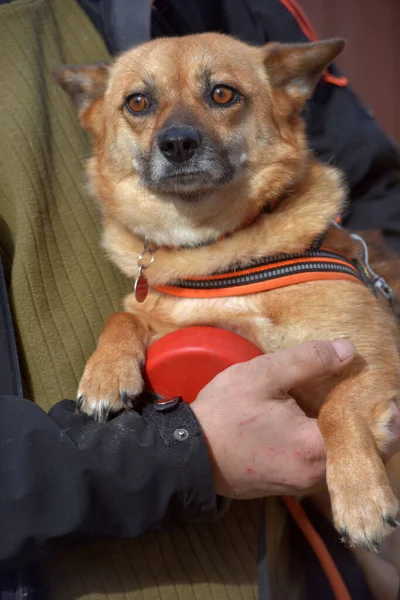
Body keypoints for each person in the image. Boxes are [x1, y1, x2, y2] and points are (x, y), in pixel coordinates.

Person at [1, 0, 400, 599]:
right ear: (96, 116)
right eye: (141, 105)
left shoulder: (256, 10)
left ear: (285, 95)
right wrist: (128, 341)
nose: (178, 132)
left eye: (221, 97)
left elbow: (378, 193)